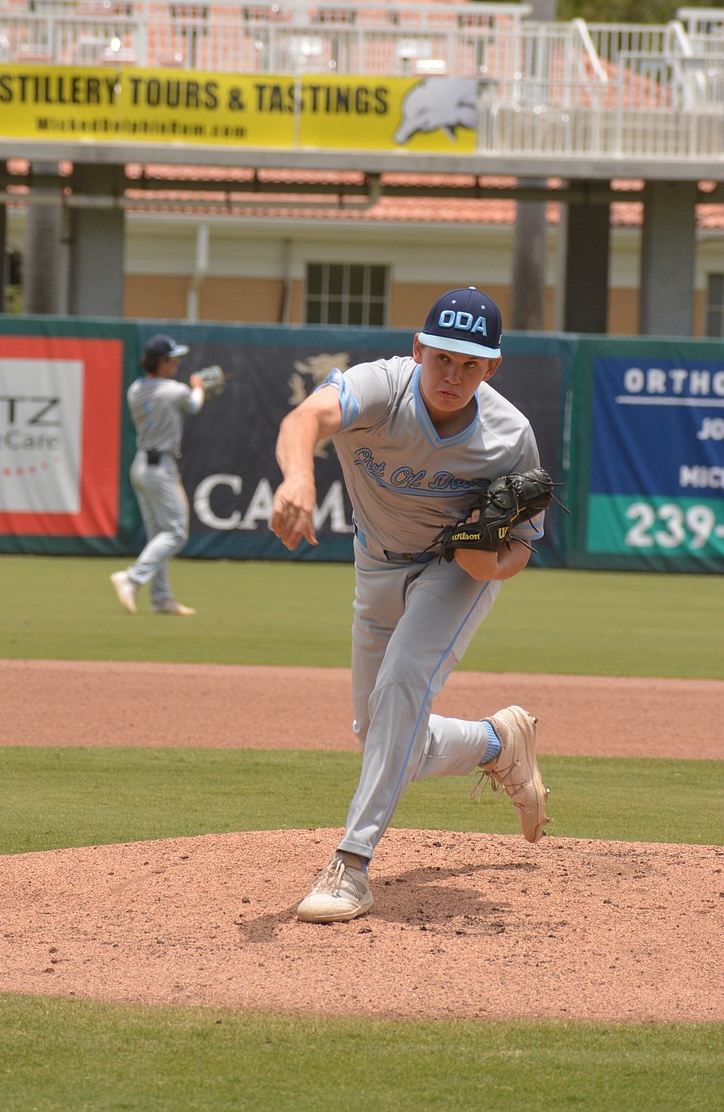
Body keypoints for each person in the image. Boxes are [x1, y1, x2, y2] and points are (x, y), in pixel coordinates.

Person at [269, 287, 550, 923]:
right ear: (418, 348)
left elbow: (520, 552)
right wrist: (298, 476)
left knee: (402, 683)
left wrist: (485, 562)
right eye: (442, 357)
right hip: (376, 565)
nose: (452, 375)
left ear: (492, 367)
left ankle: (352, 863)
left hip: (452, 573)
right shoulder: (379, 389)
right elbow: (301, 423)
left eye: (470, 364)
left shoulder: (510, 436)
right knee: (384, 739)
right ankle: (494, 742)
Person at [111, 334, 207, 616]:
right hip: (160, 466)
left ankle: (162, 599)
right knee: (176, 533)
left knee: (159, 536)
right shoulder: (172, 390)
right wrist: (198, 387)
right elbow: (193, 405)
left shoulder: (135, 389)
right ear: (160, 362)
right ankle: (132, 578)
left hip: (141, 464)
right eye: (172, 359)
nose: (176, 363)